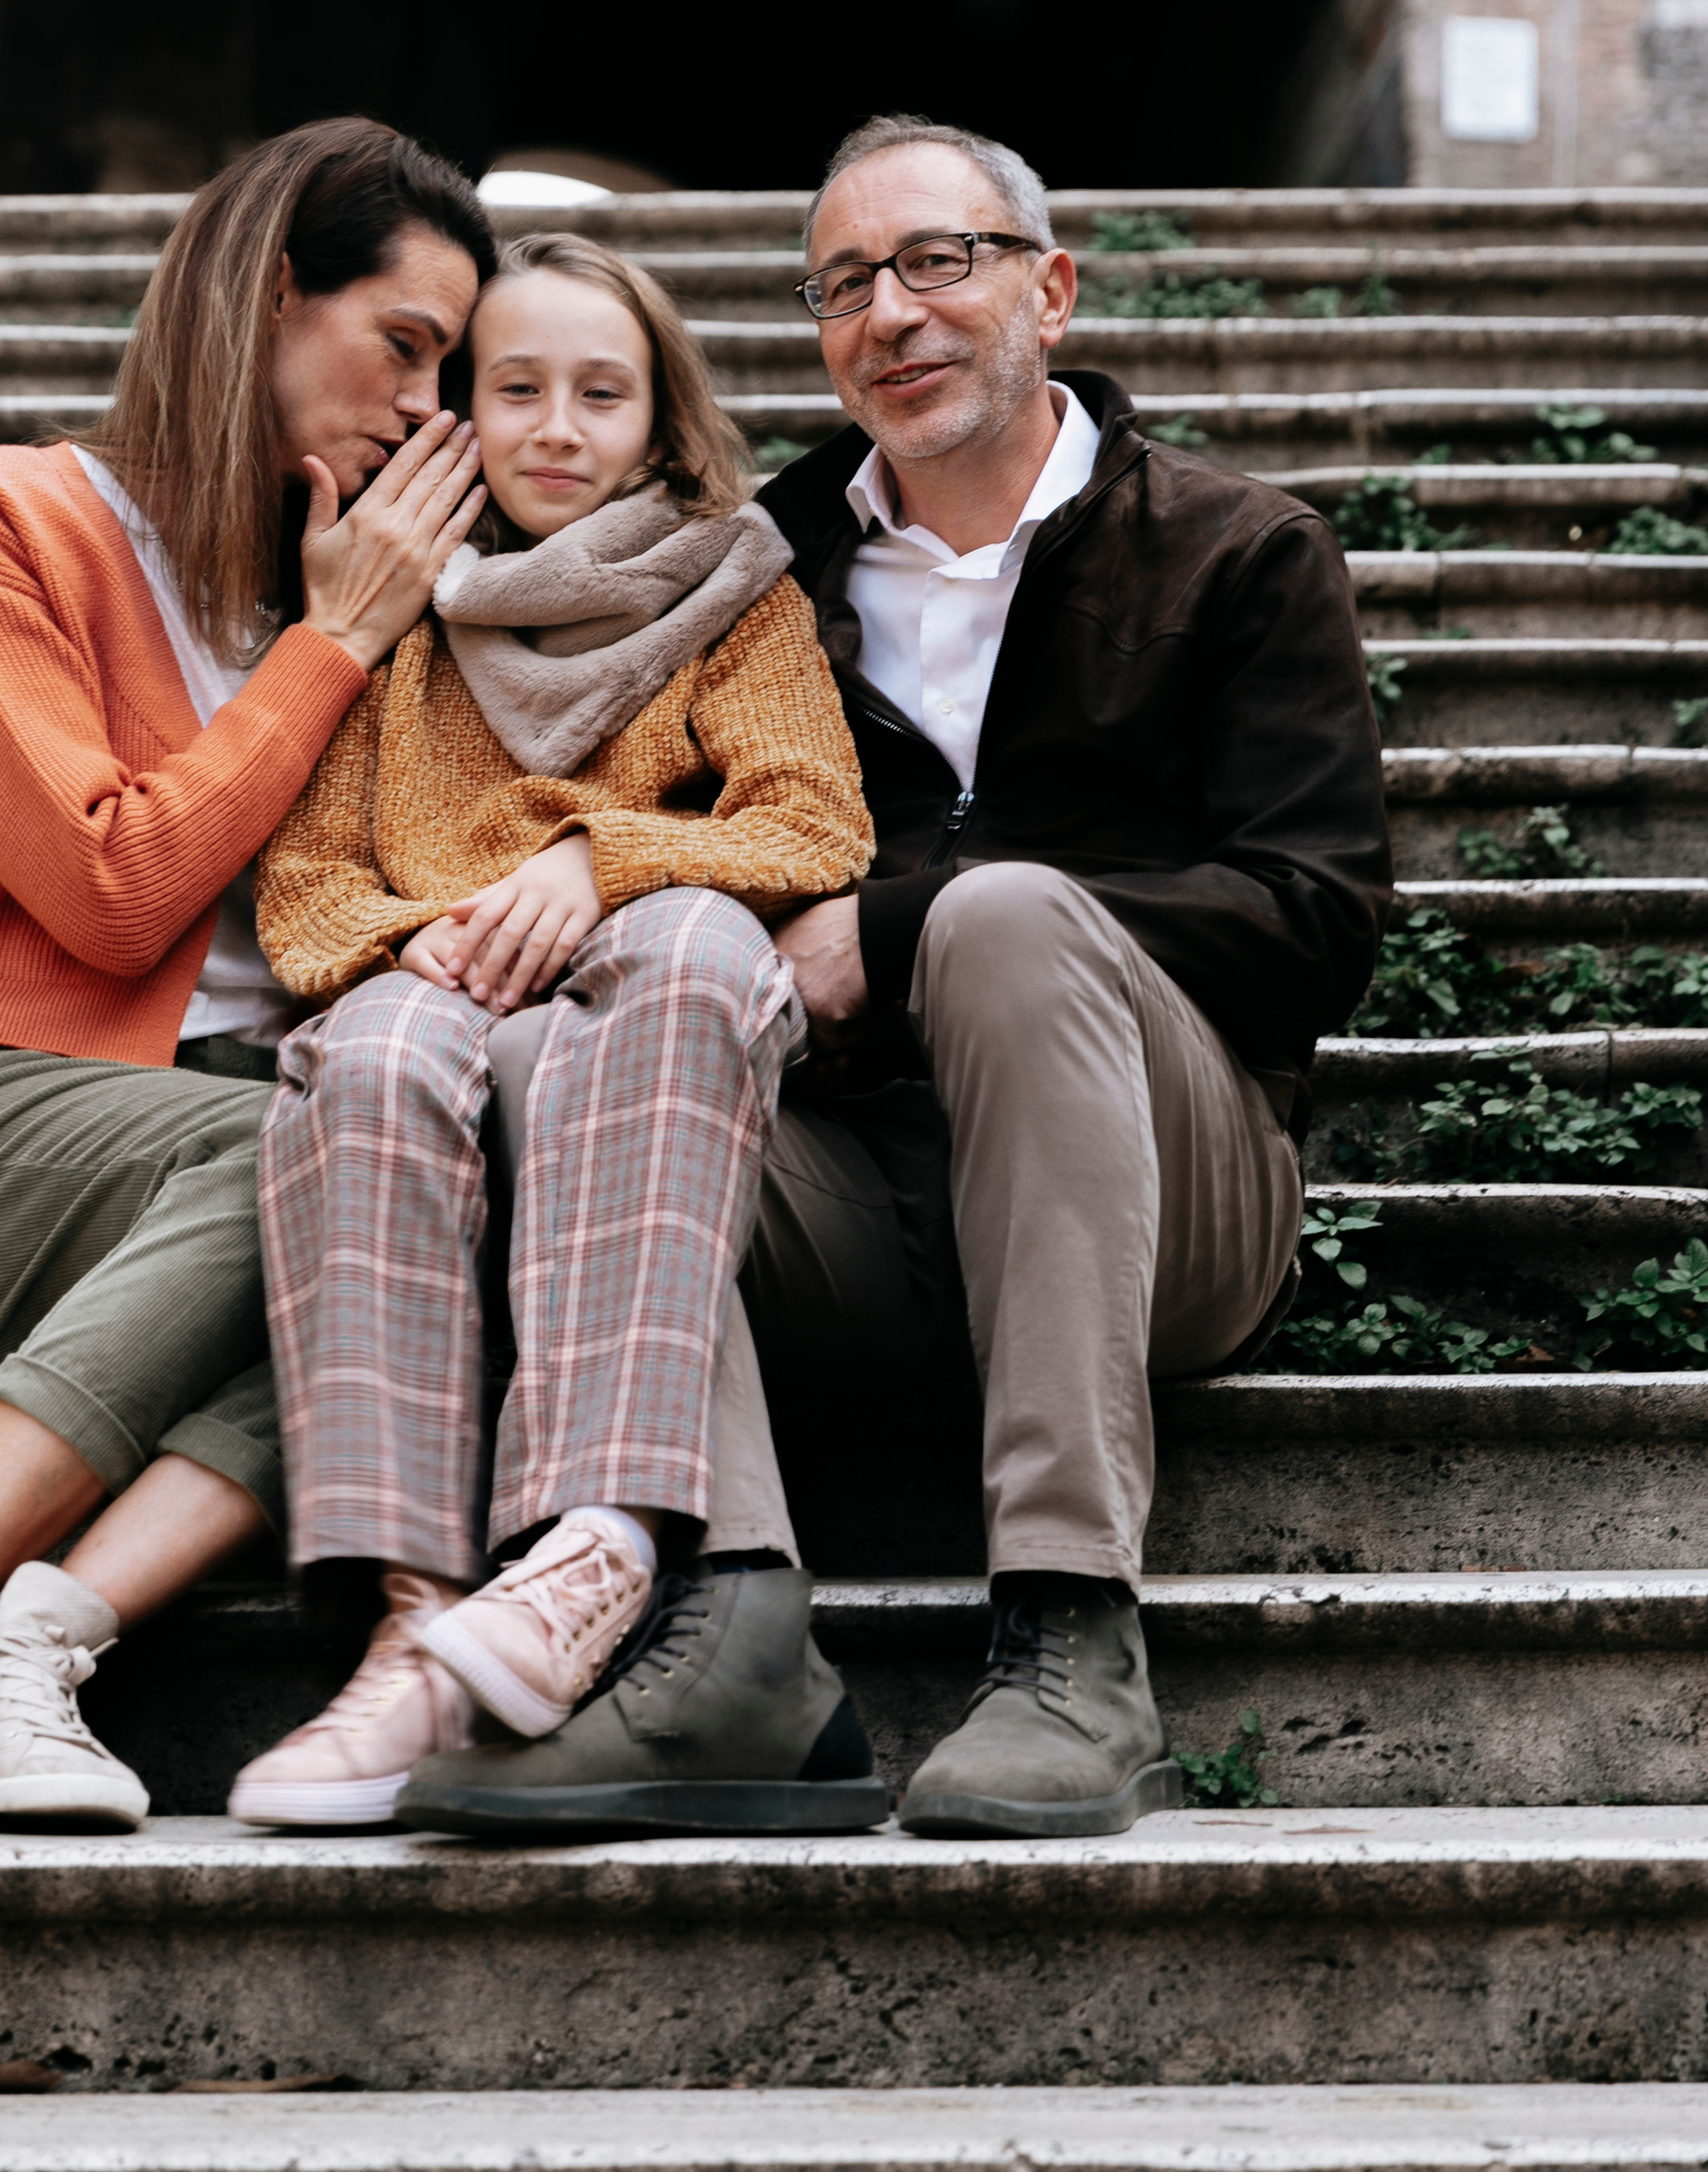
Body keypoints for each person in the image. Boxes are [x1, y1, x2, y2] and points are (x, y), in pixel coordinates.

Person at [0, 118, 498, 1835]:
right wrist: (331, 647)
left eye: (450, 373)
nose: (422, 409)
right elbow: (112, 892)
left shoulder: (361, 582)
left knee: (441, 1206)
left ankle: (22, 1653)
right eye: (402, 345)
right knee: (317, 1150)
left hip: (236, 1132)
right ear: (270, 291)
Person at [736, 111, 1393, 1836]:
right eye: (843, 284)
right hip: (870, 1207)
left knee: (1003, 918)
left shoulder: (1236, 551)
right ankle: (713, 1627)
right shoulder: (758, 570)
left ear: (1050, 288)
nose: (889, 313)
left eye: (936, 261)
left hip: (1171, 1202)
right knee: (593, 1044)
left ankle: (1071, 1640)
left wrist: (906, 924)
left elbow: (1313, 919)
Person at [228, 234, 885, 1835]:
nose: (557, 427)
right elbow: (307, 895)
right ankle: (413, 1630)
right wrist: (429, 939)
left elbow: (812, 822)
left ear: (659, 421)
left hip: (645, 954)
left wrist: (598, 863)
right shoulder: (400, 624)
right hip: (441, 973)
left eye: (602, 393)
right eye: (515, 389)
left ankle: (596, 1546)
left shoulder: (733, 586)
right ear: (461, 412)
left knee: (693, 939)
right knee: (367, 1054)